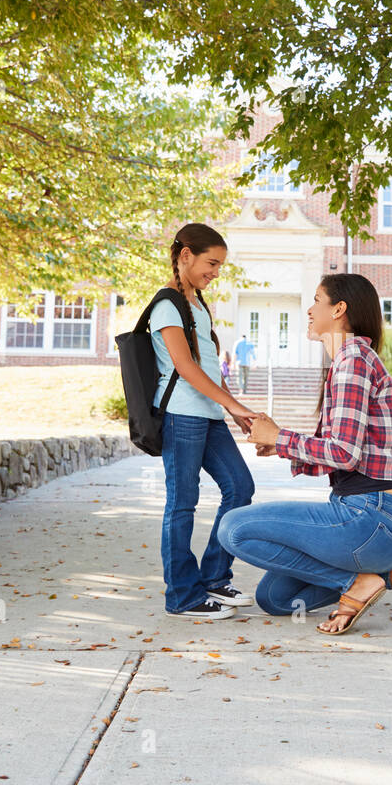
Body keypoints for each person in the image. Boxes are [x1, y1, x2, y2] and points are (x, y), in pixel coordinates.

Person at [217, 273, 392, 635]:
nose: (309, 309)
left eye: (317, 300)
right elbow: (349, 452)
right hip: (387, 524)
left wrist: (282, 436)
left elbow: (343, 452)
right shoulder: (353, 360)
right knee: (276, 599)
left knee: (233, 529)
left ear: (339, 309)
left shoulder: (353, 362)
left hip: (371, 518)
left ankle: (356, 584)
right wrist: (281, 446)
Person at [151, 223, 258, 620]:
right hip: (181, 414)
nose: (215, 271)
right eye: (211, 263)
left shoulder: (197, 303)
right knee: (182, 503)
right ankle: (182, 595)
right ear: (185, 256)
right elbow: (186, 367)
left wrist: (231, 408)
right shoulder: (167, 304)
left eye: (220, 265)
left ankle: (213, 578)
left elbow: (210, 367)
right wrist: (236, 406)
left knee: (240, 487)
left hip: (208, 415)